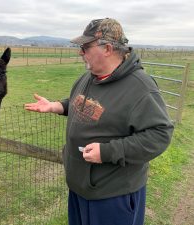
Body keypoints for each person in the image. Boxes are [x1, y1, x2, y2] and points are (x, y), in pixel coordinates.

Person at [24, 18, 174, 225]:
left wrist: (107, 152)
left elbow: (160, 134)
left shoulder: (140, 88)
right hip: (80, 188)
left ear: (108, 49)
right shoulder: (90, 77)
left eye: (85, 47)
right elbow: (86, 104)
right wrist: (57, 106)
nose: (80, 52)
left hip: (113, 195)